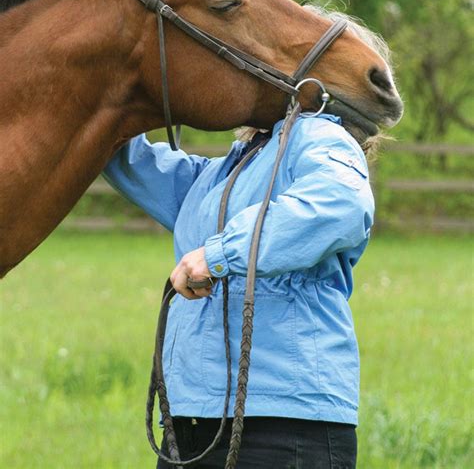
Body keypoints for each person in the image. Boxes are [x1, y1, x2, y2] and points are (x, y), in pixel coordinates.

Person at [103, 111, 374, 468]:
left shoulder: (317, 133)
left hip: (282, 426)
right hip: (191, 423)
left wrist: (221, 253)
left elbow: (340, 202)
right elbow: (122, 152)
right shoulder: (223, 172)